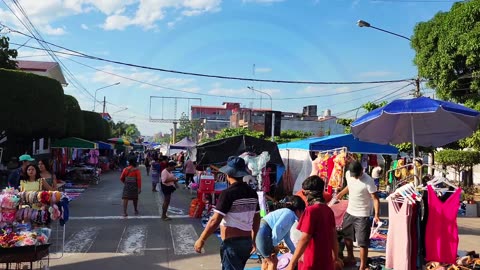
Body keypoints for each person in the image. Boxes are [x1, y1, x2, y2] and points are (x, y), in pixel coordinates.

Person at [194, 156, 260, 270]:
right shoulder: (253, 193)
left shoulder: (228, 193)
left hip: (232, 244)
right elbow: (257, 218)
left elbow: (215, 220)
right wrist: (253, 240)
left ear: (228, 175)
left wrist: (201, 239)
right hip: (246, 242)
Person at [286, 176, 340, 270]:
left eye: (304, 193)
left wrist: (292, 263)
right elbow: (334, 236)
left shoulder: (311, 211)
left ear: (308, 193)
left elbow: (305, 239)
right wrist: (335, 258)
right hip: (326, 261)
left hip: (311, 261)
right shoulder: (328, 210)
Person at [336, 161, 380, 270]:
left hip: (363, 214)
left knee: (362, 242)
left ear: (362, 171)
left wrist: (376, 214)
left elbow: (375, 199)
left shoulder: (368, 181)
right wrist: (341, 193)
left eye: (357, 175)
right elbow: (350, 186)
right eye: (353, 175)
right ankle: (351, 256)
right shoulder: (348, 174)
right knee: (347, 236)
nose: (355, 177)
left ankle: (362, 266)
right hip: (350, 211)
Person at [256, 195, 306, 270]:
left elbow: (286, 238)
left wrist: (294, 252)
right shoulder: (289, 214)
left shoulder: (289, 216)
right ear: (298, 210)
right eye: (303, 212)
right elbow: (277, 228)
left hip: (263, 232)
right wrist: (275, 245)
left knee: (266, 261)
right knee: (273, 261)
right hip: (265, 232)